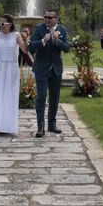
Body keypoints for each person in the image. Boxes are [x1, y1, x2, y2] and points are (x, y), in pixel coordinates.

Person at [29, 9, 70, 138]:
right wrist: (43, 40)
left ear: (56, 18)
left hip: (56, 69)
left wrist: (57, 41)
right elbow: (31, 47)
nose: (47, 19)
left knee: (54, 98)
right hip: (41, 68)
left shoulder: (62, 30)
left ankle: (52, 125)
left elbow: (67, 48)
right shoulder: (39, 29)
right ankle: (40, 127)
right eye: (45, 17)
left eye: (50, 18)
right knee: (41, 97)